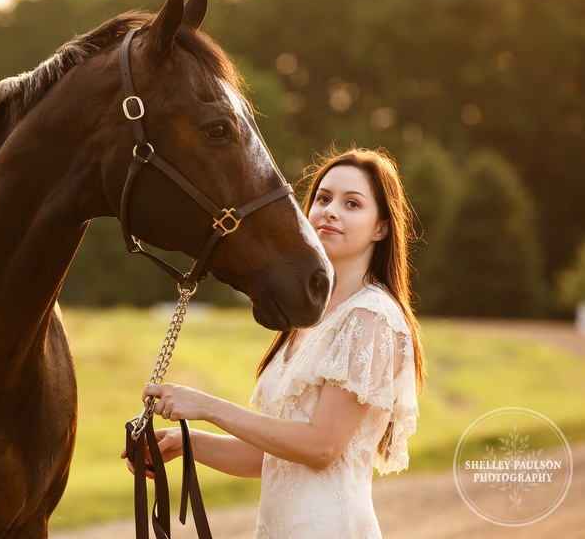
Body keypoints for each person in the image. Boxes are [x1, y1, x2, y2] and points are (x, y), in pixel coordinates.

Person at [132, 146, 425, 538]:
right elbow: (269, 455)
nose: (331, 210)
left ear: (381, 228)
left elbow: (322, 447)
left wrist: (204, 406)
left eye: (352, 203)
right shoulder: (307, 318)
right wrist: (187, 443)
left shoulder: (371, 317)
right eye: (323, 198)